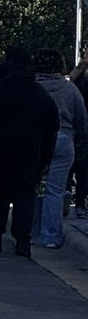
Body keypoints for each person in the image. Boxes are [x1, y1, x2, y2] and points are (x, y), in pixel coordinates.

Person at [0, 45, 59, 257]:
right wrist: (45, 156)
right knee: (24, 196)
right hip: (28, 153)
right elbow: (51, 128)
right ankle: (22, 239)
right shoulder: (40, 96)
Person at [34, 49, 88, 249]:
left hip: (36, 139)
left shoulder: (33, 87)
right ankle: (50, 236)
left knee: (31, 186)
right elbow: (81, 118)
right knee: (55, 190)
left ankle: (29, 230)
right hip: (64, 137)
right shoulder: (69, 89)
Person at [68, 52, 88, 217]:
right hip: (79, 128)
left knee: (76, 167)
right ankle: (79, 203)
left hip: (75, 128)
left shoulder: (76, 81)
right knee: (81, 168)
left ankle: (75, 201)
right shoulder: (78, 80)